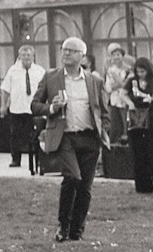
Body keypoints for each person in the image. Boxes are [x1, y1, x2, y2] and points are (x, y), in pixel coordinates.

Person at [31, 37, 111, 241]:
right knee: (73, 177)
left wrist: (103, 130)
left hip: (89, 138)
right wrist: (51, 108)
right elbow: (34, 105)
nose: (66, 53)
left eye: (72, 51)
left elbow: (103, 111)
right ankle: (63, 225)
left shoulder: (94, 81)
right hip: (64, 136)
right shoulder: (51, 77)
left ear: (82, 56)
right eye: (64, 50)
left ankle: (77, 230)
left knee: (85, 187)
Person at [123, 56, 153, 195]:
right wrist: (130, 103)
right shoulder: (131, 81)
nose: (140, 74)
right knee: (138, 153)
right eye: (138, 71)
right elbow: (123, 94)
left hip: (149, 116)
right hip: (135, 117)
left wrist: (151, 99)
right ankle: (143, 186)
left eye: (143, 71)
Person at [0, 45, 45, 171]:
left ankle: (39, 160)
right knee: (15, 135)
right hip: (17, 108)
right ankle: (15, 159)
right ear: (19, 56)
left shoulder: (40, 71)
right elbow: (5, 89)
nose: (26, 58)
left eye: (28, 55)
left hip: (34, 109)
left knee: (37, 135)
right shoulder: (13, 71)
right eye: (23, 55)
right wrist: (3, 105)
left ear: (33, 56)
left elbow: (45, 89)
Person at [102, 43, 132, 145]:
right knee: (114, 120)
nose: (116, 57)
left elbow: (126, 84)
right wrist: (113, 86)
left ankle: (126, 138)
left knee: (124, 120)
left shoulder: (128, 69)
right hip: (113, 98)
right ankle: (114, 141)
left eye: (118, 54)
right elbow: (108, 86)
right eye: (113, 55)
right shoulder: (110, 70)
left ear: (122, 56)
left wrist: (118, 82)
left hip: (124, 99)